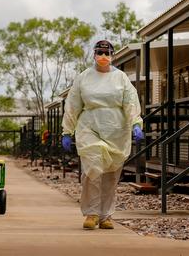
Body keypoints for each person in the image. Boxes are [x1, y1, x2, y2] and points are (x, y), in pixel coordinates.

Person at [61, 40, 143, 230]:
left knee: (111, 174)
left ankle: (106, 215)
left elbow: (130, 101)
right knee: (93, 169)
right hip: (90, 127)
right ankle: (91, 213)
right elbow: (73, 105)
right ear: (94, 54)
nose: (103, 57)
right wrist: (67, 130)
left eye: (107, 53)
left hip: (116, 130)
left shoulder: (121, 78)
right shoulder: (84, 78)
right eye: (100, 52)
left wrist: (136, 123)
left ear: (113, 55)